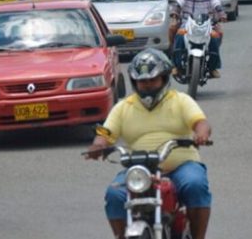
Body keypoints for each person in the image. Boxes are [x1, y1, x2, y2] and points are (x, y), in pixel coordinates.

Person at [85, 49, 212, 239]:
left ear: (164, 78)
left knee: (195, 184)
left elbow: (201, 123)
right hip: (140, 170)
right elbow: (105, 133)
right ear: (135, 82)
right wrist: (98, 145)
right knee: (114, 194)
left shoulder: (181, 101)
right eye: (142, 81)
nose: (147, 85)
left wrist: (201, 135)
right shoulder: (123, 107)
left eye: (153, 80)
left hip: (180, 166)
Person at [172, 0, 226, 78]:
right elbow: (177, 5)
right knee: (179, 36)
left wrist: (221, 14)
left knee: (214, 38)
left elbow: (217, 5)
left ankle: (213, 67)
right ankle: (176, 66)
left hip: (207, 25)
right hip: (187, 24)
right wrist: (175, 12)